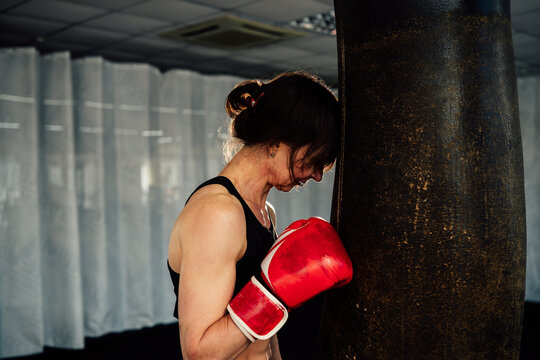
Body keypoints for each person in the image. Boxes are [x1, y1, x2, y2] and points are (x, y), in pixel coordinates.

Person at [167, 71, 346, 359]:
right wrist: (272, 295)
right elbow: (198, 352)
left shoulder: (265, 213)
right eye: (313, 160)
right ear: (277, 141)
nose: (316, 175)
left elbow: (265, 333)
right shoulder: (217, 214)